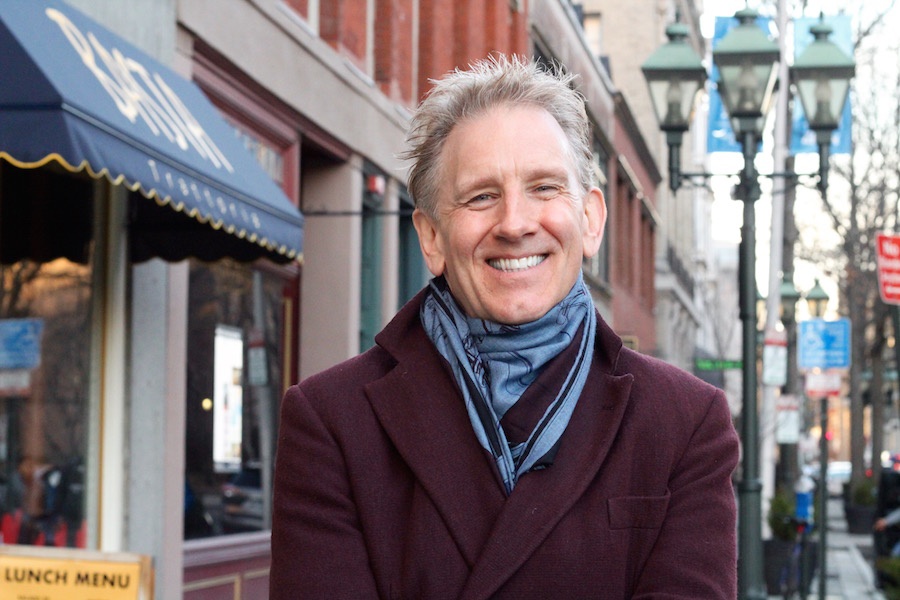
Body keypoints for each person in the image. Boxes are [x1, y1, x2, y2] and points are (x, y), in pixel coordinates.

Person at [270, 54, 739, 599]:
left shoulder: (685, 423)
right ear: (432, 238)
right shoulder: (331, 422)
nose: (515, 223)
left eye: (544, 188)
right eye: (482, 196)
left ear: (590, 221)